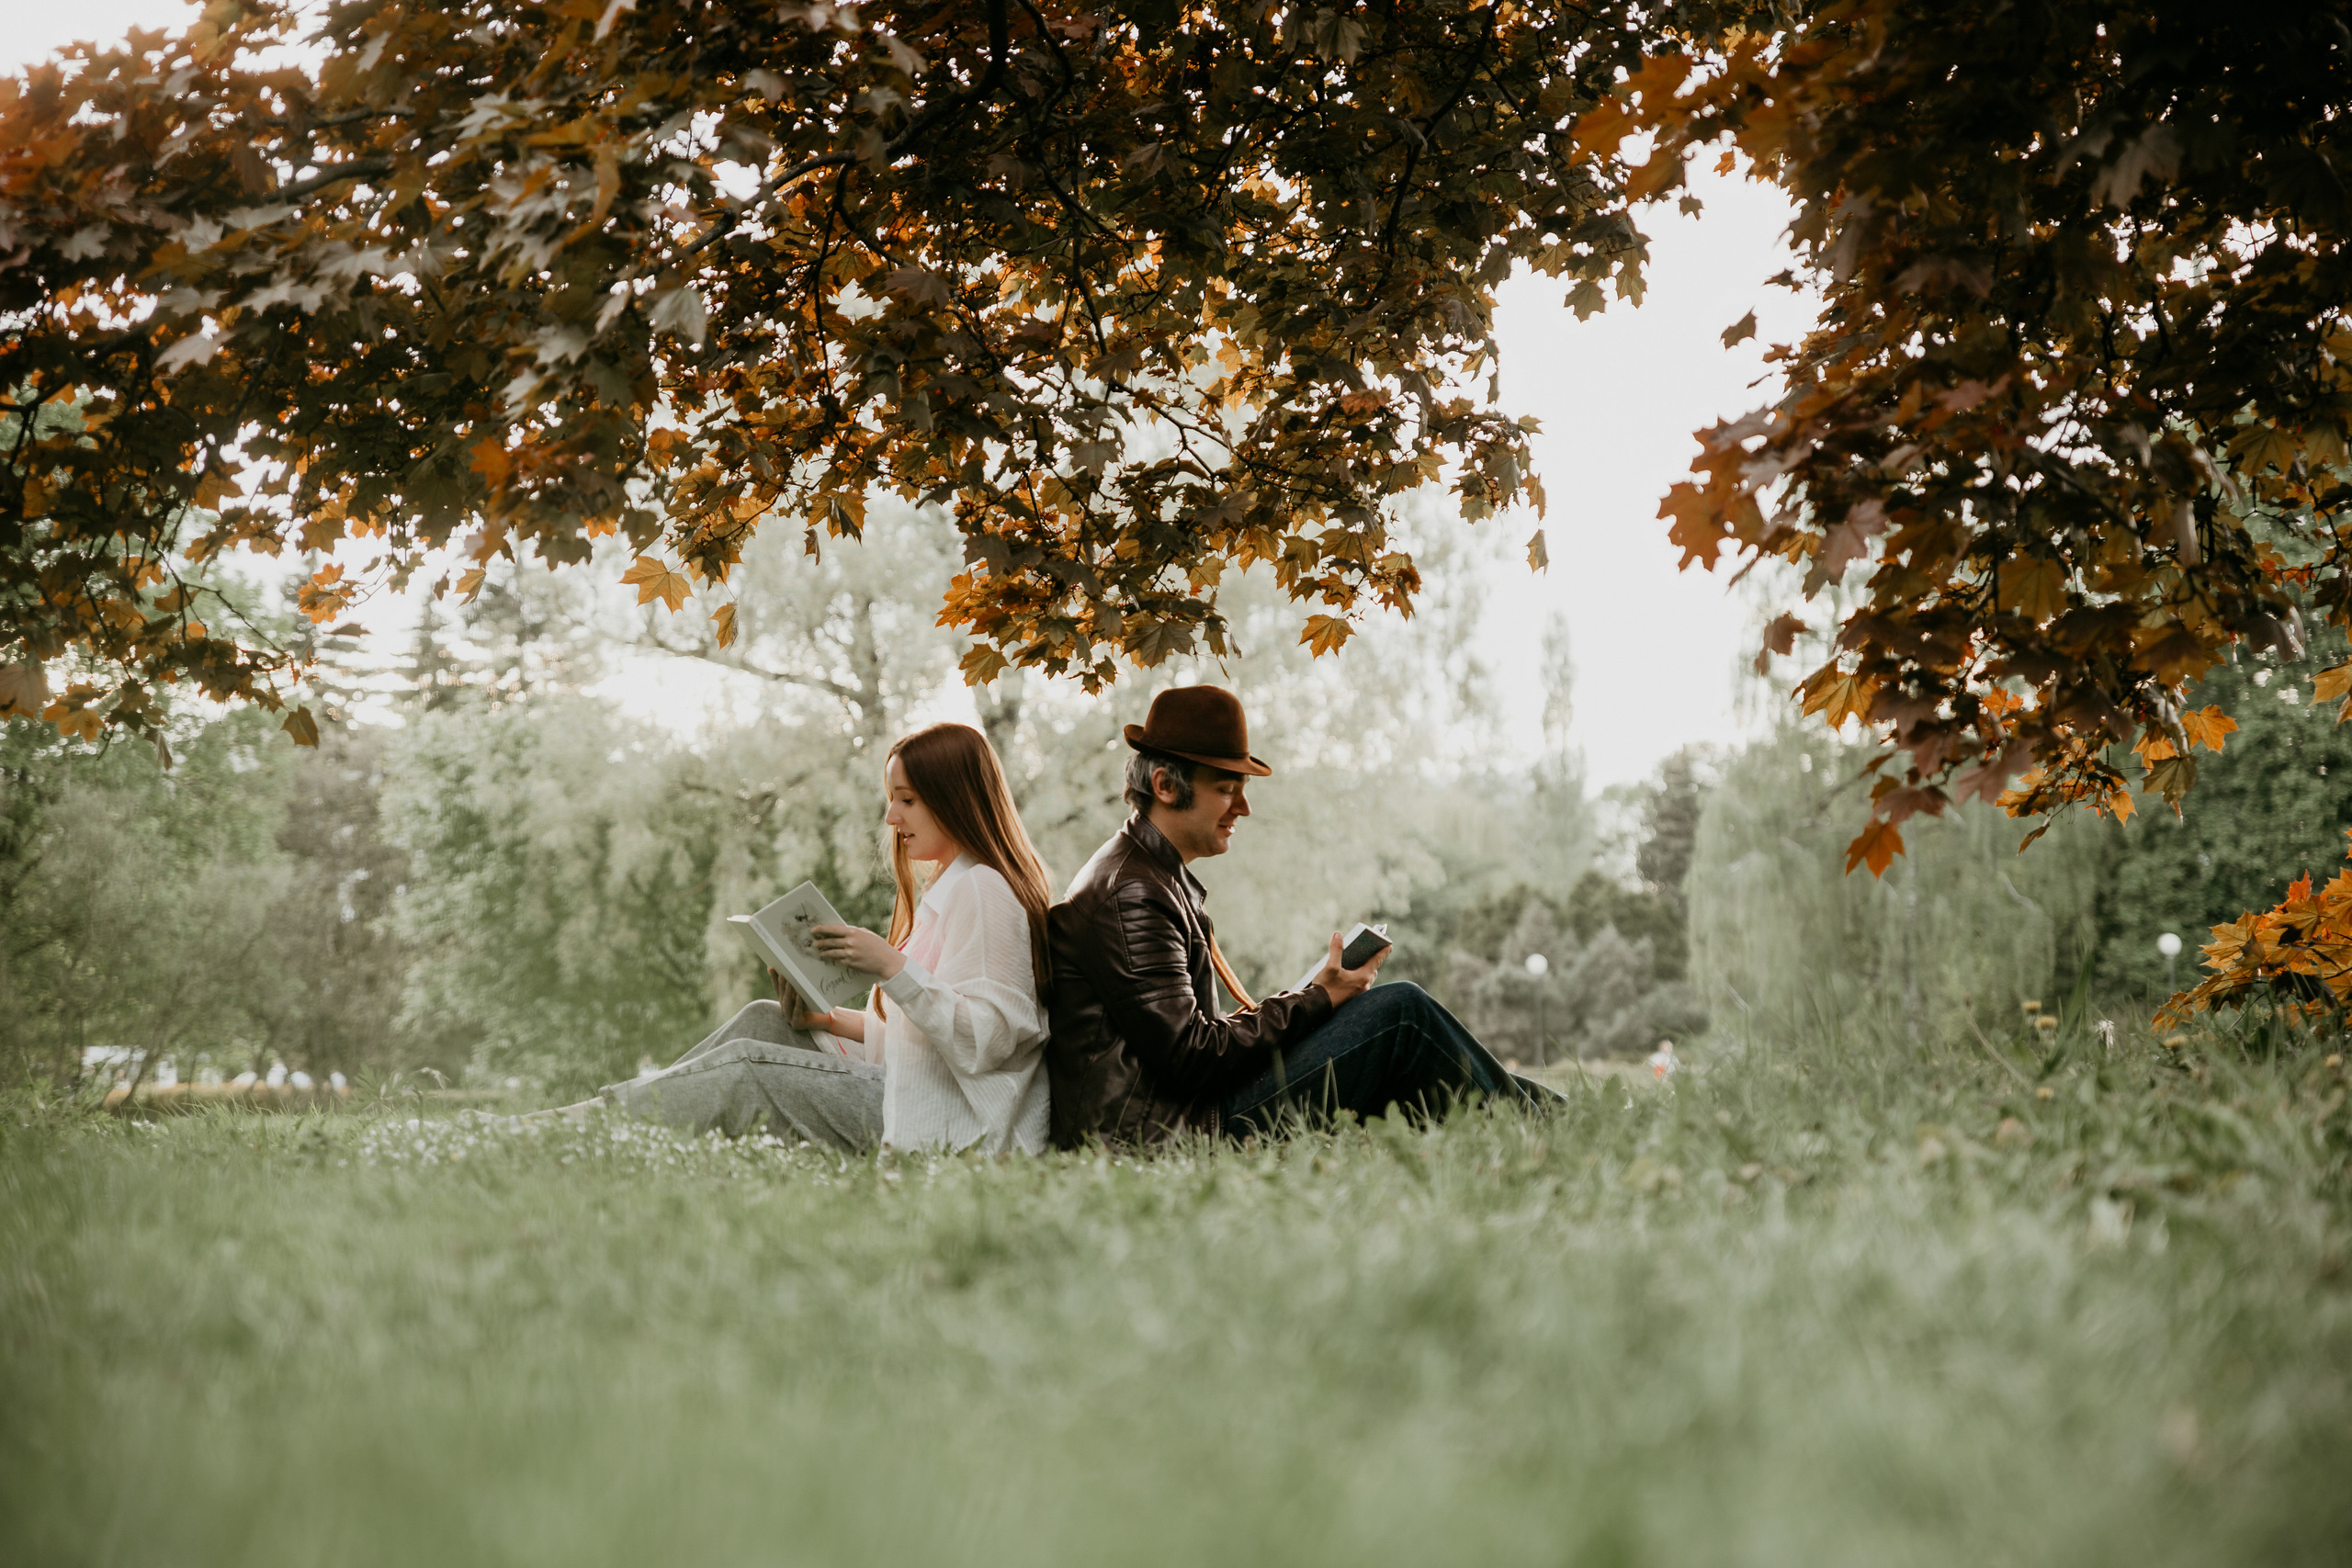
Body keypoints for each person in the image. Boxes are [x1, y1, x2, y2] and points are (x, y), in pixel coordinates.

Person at [1045, 685, 1547, 1148]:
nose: (1242, 807)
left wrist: (1316, 997)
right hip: (1169, 1135)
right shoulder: (1132, 892)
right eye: (1226, 788)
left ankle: (1559, 1117)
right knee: (1402, 1015)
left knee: (1396, 1026)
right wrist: (1315, 1001)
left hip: (1186, 1114)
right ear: (1166, 786)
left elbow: (1187, 1040)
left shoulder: (1147, 874)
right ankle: (1554, 1123)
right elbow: (1192, 1058)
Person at [601, 722, 1056, 1155]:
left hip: (962, 1125)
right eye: (892, 799)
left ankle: (586, 1130)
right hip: (926, 1090)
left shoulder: (985, 889)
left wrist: (891, 966)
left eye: (908, 800)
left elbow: (987, 1038)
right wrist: (828, 1021)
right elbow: (923, 1036)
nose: (891, 816)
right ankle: (601, 1121)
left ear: (954, 799)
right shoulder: (954, 887)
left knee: (748, 1068)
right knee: (765, 1020)